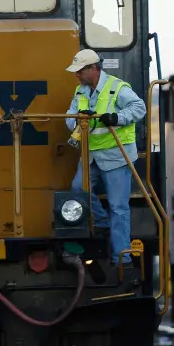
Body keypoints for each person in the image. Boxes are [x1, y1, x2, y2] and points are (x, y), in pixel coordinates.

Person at [64, 48, 146, 266]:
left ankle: (122, 259)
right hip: (90, 155)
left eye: (80, 71)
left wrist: (116, 117)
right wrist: (79, 121)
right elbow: (69, 119)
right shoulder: (80, 91)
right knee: (78, 190)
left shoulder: (117, 87)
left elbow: (139, 107)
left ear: (93, 68)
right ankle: (102, 221)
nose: (77, 75)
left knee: (119, 207)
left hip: (116, 157)